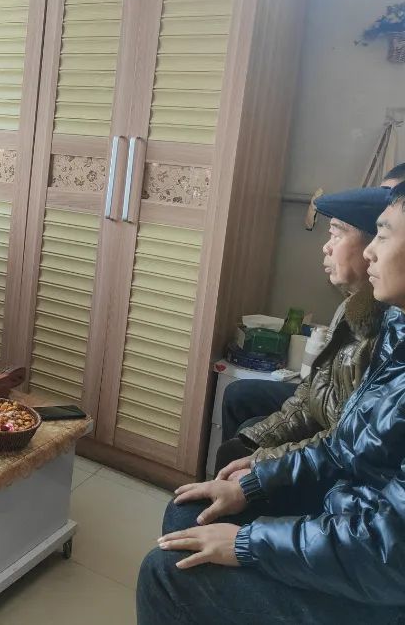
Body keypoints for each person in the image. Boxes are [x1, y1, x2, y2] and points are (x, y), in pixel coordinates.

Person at [136, 184, 405, 625]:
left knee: (164, 573)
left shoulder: (384, 329)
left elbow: (387, 549)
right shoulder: (397, 333)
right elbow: (341, 443)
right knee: (191, 512)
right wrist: (255, 482)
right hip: (346, 519)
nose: (372, 251)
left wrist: (247, 543)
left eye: (384, 235)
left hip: (377, 587)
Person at [215, 165, 405, 452]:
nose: (326, 248)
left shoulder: (387, 328)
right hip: (327, 418)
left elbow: (349, 443)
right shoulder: (352, 305)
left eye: (337, 235)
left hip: (336, 444)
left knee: (241, 446)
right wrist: (259, 440)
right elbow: (316, 387)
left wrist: (262, 464)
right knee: (241, 409)